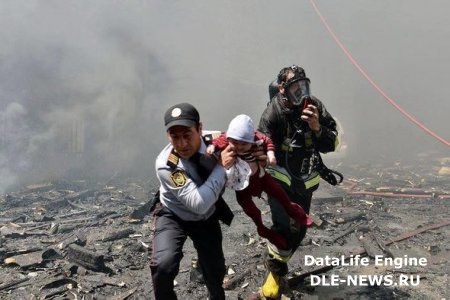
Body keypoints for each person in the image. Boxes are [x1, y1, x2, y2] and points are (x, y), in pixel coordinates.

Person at [253, 65, 339, 299]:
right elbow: (262, 141)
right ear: (282, 88)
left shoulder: (315, 107)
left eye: (304, 85)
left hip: (305, 179)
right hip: (279, 179)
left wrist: (317, 127)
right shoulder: (274, 112)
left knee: (299, 231)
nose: (301, 91)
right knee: (285, 228)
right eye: (294, 86)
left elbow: (332, 144)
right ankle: (274, 278)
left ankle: (273, 262)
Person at [150, 102, 236, 300]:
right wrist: (221, 167)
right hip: (174, 214)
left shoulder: (218, 140)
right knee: (163, 265)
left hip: (207, 217)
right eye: (174, 137)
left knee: (215, 270)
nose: (181, 144)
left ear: (200, 128)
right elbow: (198, 204)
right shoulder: (166, 164)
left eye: (187, 135)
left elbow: (248, 140)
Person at [206, 114, 312, 250]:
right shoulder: (227, 138)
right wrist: (212, 148)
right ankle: (262, 228)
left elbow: (268, 142)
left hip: (261, 178)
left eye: (243, 143)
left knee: (281, 195)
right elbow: (217, 141)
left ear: (251, 139)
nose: (238, 147)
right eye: (235, 142)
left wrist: (271, 156)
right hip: (242, 184)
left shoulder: (257, 138)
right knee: (252, 211)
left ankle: (295, 213)